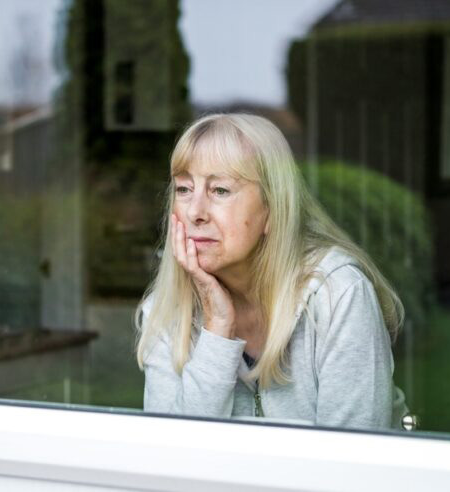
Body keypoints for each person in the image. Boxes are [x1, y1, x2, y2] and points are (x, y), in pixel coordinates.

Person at [134, 113, 408, 429]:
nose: (194, 211)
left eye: (220, 190)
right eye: (183, 189)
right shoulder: (164, 310)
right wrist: (217, 329)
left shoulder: (338, 294)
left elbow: (351, 461)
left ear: (272, 209)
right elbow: (171, 454)